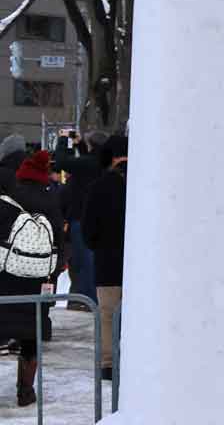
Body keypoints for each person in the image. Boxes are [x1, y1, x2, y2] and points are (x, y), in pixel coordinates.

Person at [0, 150, 63, 406]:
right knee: (31, 334)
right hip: (38, 278)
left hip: (7, 273)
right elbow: (59, 242)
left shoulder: (11, 198)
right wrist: (53, 272)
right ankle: (25, 390)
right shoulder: (50, 200)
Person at [83, 134, 127, 380]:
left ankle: (109, 364)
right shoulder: (145, 183)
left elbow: (88, 231)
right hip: (141, 266)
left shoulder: (99, 187)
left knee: (108, 316)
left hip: (108, 263)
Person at [53, 131, 107, 307]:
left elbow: (61, 162)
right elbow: (86, 161)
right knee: (89, 260)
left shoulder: (89, 163)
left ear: (91, 145)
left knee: (82, 262)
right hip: (97, 218)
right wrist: (80, 145)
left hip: (80, 218)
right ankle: (86, 298)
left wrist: (63, 140)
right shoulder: (102, 162)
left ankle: (85, 299)